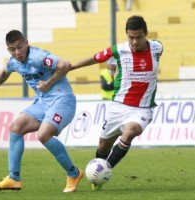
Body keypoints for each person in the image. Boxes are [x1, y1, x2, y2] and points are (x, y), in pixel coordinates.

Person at [0, 30, 83, 193]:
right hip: (42, 102)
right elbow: (4, 72)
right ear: (8, 50)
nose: (17, 52)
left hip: (62, 100)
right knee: (15, 127)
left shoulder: (38, 57)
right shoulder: (14, 61)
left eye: (20, 47)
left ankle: (73, 173)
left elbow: (65, 65)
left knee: (43, 135)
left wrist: (48, 83)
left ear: (26, 42)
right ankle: (14, 178)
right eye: (12, 49)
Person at [70, 15, 163, 190]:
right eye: (131, 37)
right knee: (103, 146)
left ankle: (104, 171)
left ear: (146, 33)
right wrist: (72, 67)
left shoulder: (157, 48)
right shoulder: (118, 51)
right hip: (119, 106)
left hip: (143, 108)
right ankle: (97, 174)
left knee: (131, 132)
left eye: (139, 37)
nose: (135, 42)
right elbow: (95, 58)